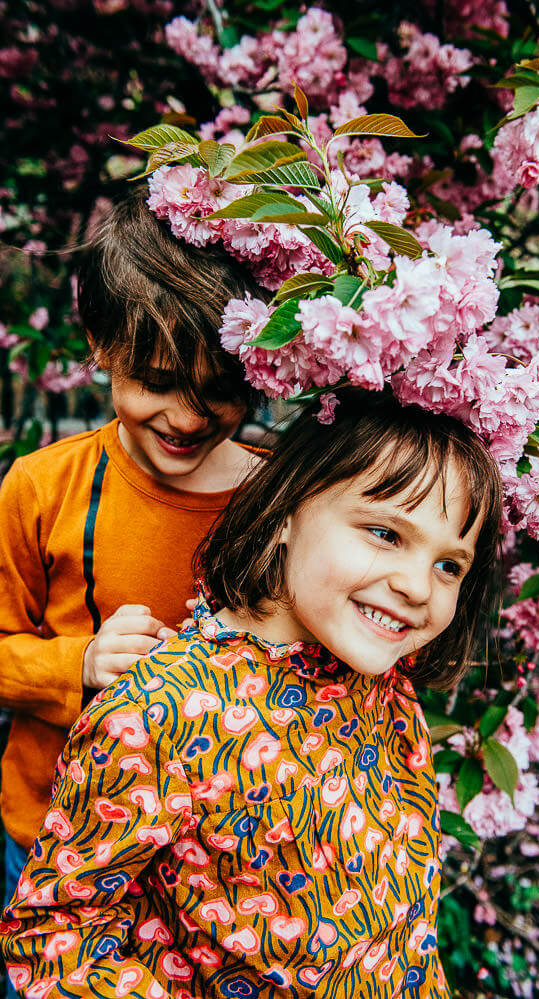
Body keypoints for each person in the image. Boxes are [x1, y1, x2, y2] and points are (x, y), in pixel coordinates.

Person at [0, 388, 503, 998]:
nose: (419, 587)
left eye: (450, 564)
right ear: (287, 509)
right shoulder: (159, 714)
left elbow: (404, 924)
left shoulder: (386, 694)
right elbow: (56, 933)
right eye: (385, 534)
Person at [0, 187, 264, 934]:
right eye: (154, 382)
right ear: (98, 344)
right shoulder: (41, 488)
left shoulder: (283, 504)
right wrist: (78, 665)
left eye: (220, 390)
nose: (185, 418)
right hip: (47, 839)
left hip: (209, 878)